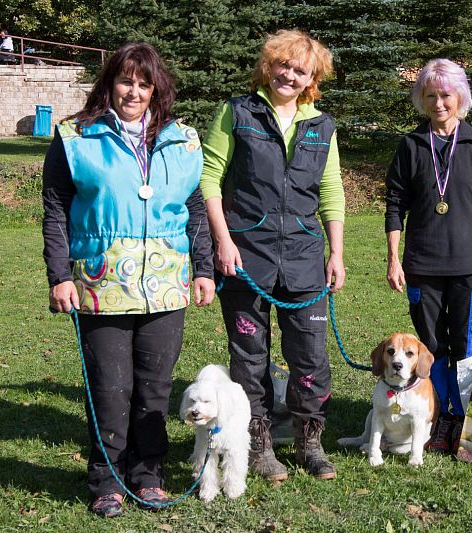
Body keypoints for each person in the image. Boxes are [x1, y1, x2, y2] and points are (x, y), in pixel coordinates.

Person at [42, 42, 215, 517]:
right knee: (109, 386)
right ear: (109, 84)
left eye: (144, 83)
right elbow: (56, 210)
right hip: (100, 285)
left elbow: (194, 209)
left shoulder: (184, 140)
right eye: (125, 81)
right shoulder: (76, 137)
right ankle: (107, 480)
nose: (133, 92)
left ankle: (149, 474)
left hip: (166, 284)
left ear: (157, 88)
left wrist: (203, 267)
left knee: (154, 388)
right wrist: (59, 274)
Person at [200, 29, 344, 481]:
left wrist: (336, 251)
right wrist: (223, 241)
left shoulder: (322, 126)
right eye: (283, 65)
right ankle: (258, 444)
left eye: (300, 70)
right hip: (246, 256)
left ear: (311, 78)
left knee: (310, 357)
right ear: (269, 65)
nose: (290, 74)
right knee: (250, 357)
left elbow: (331, 191)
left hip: (304, 258)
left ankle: (309, 442)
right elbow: (209, 180)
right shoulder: (236, 113)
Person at [385, 58, 472, 454]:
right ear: (422, 99)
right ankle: (438, 419)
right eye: (431, 95)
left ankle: (467, 425)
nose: (439, 103)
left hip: (471, 265)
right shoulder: (411, 145)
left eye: (446, 95)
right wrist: (393, 258)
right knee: (429, 347)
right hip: (422, 265)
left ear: (460, 97)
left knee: (468, 347)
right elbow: (394, 204)